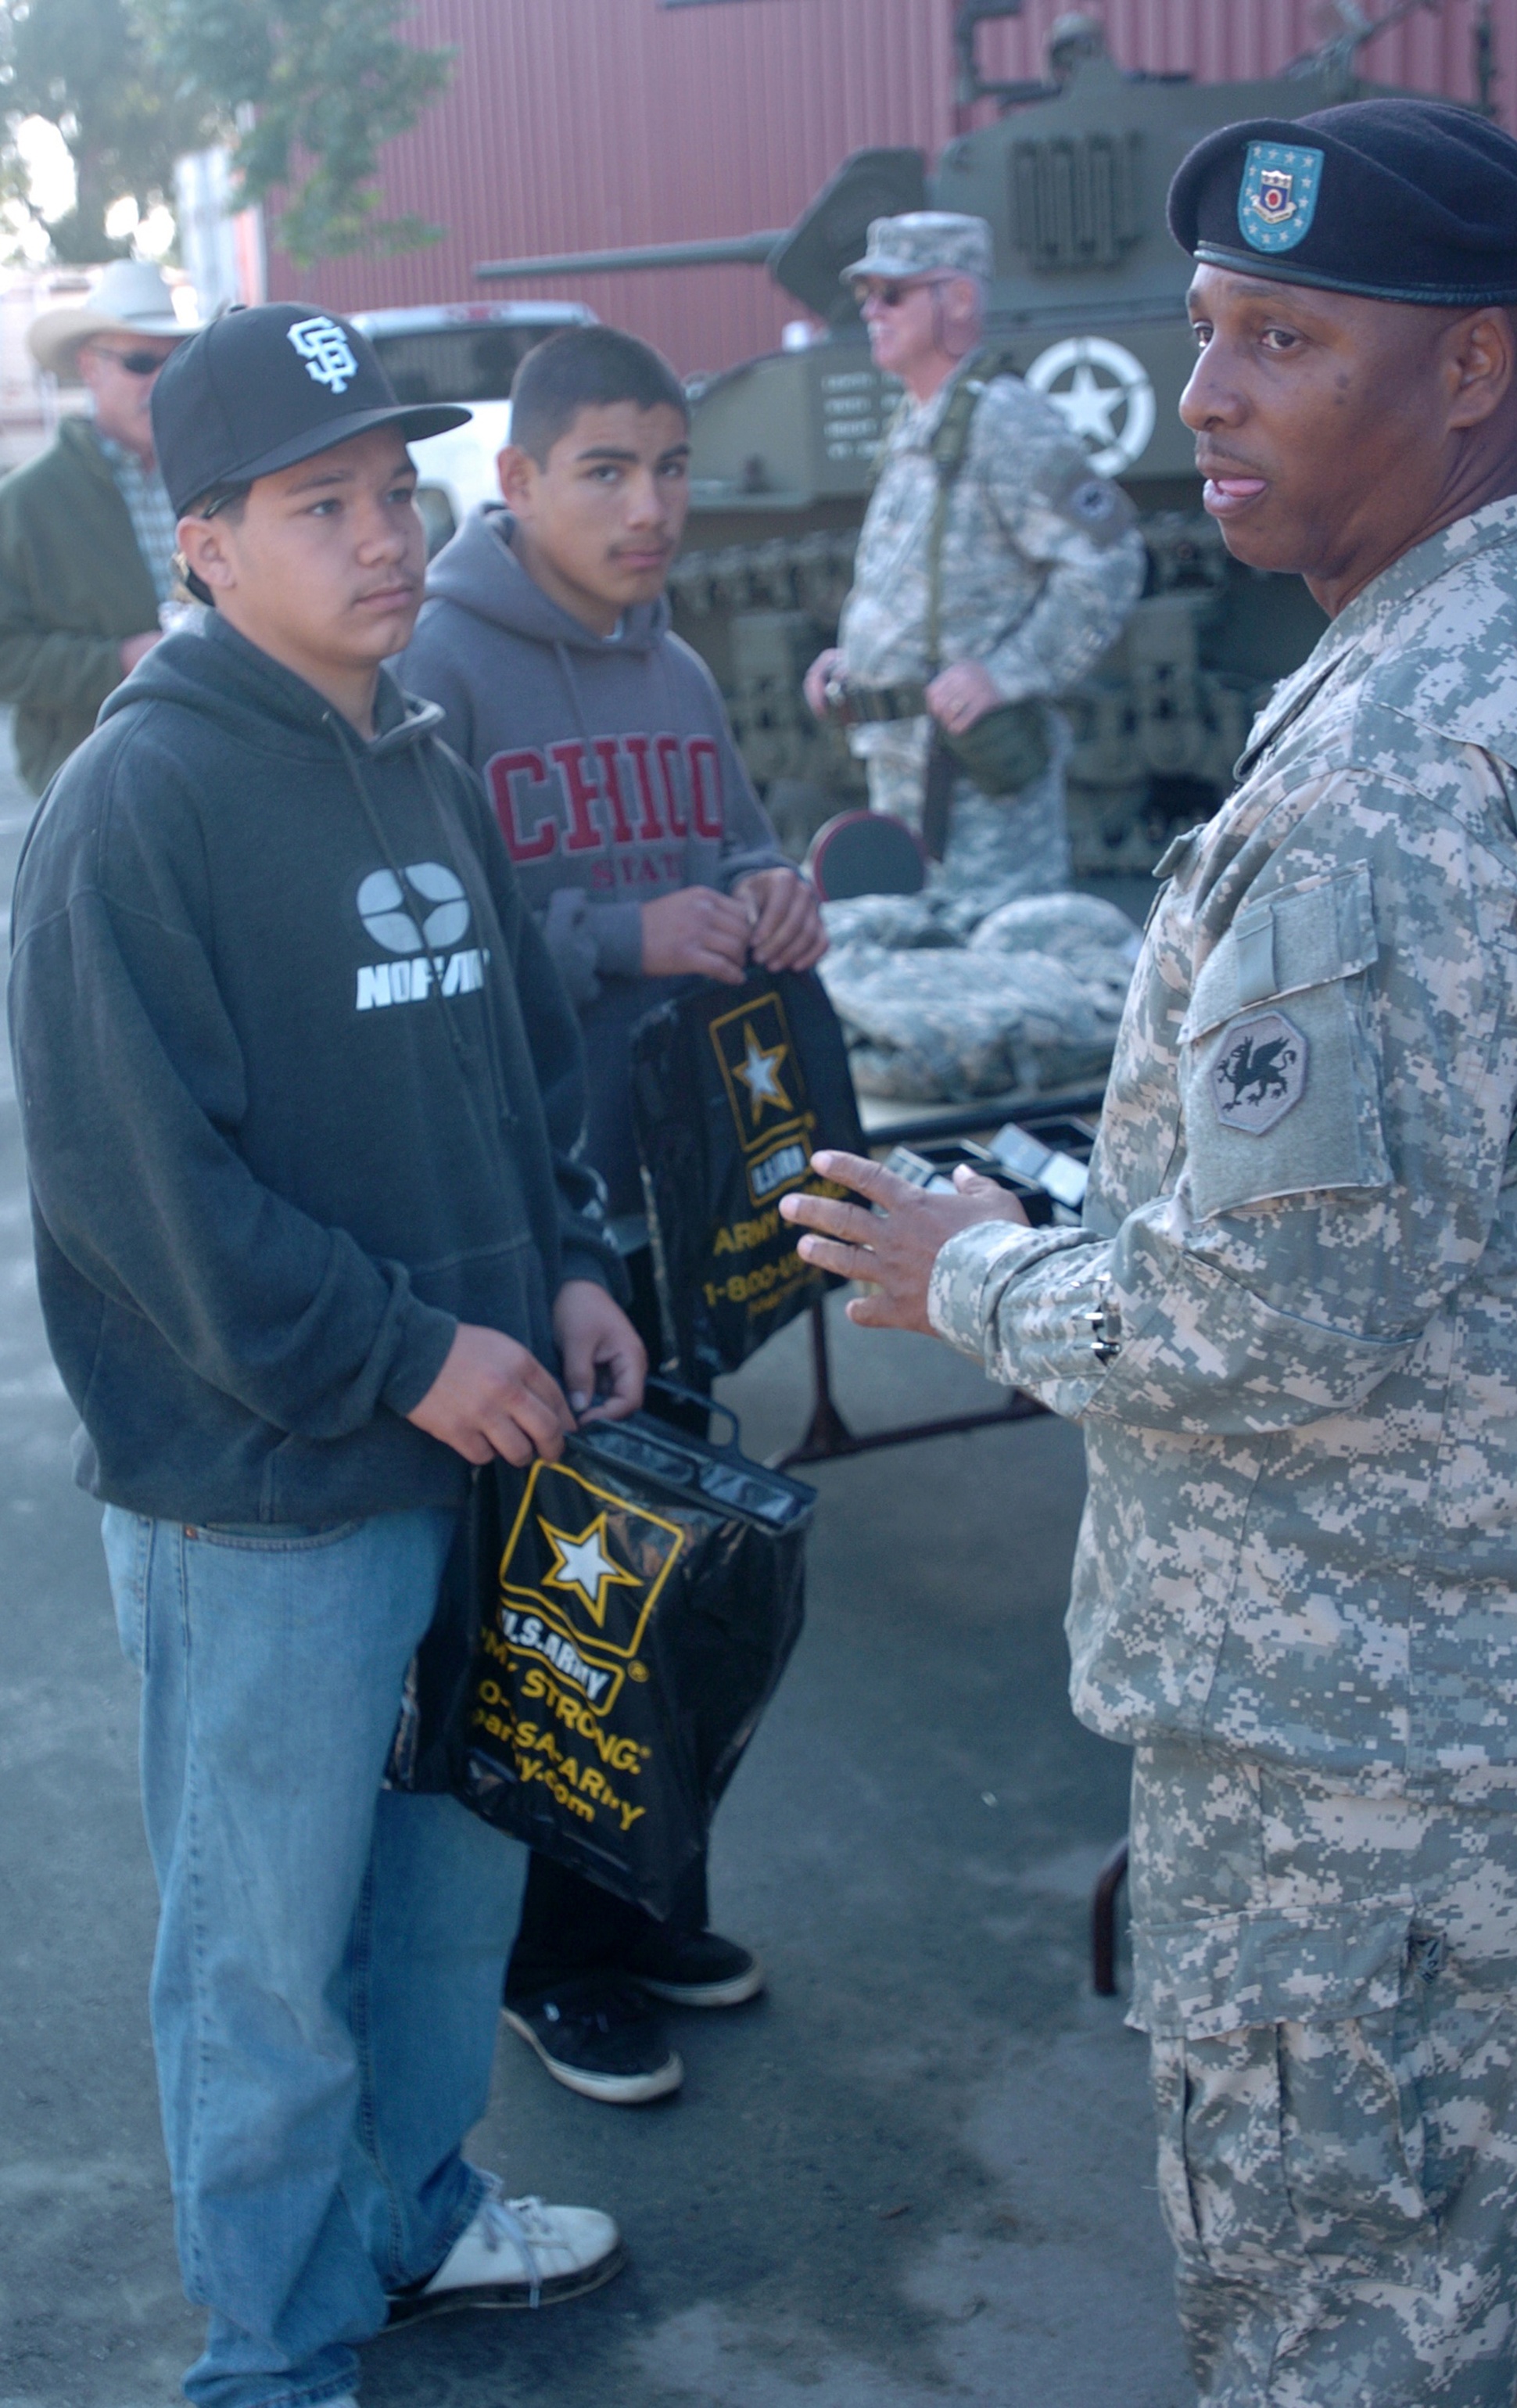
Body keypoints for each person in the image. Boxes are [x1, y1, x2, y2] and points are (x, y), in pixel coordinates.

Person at [782, 100, 1517, 2407]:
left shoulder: (1388, 783)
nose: (1209, 396)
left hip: (1355, 1738)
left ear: (1472, 371)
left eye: (1286, 339)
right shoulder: (1509, 659)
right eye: (1205, 332)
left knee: (1343, 2328)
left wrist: (966, 1266)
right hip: (1489, 1677)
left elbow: (1281, 1315)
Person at [7, 303, 648, 2408]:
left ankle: (416, 2211)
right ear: (203, 542)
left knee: (450, 1883)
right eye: (322, 504)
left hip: (478, 1431)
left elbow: (515, 1062)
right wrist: (403, 1346)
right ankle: (269, 2348)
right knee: (265, 1950)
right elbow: (142, 1196)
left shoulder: (419, 743)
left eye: (398, 491)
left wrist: (560, 1262)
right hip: (269, 1483)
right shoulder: (137, 805)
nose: (386, 538)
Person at [398, 322, 827, 2110]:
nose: (648, 506)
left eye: (668, 467)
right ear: (516, 483)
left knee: (680, 1580)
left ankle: (650, 1902)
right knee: (555, 1608)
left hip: (674, 1206)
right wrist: (615, 935)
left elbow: (720, 838)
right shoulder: (435, 664)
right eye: (605, 470)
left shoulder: (679, 669)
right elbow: (448, 940)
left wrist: (759, 893)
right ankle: (547, 1965)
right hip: (525, 1220)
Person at [802, 210, 1143, 910]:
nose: (871, 310)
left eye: (892, 293)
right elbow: (915, 578)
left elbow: (1108, 560)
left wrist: (1006, 672)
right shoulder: (918, 423)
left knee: (1000, 964)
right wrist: (852, 661)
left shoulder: (1004, 421)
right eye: (866, 293)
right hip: (902, 763)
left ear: (955, 299)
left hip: (975, 782)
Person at [0, 260, 192, 794]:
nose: (161, 381)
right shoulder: (24, 503)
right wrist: (118, 661)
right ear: (91, 366)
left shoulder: (211, 477)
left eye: (177, 362)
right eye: (140, 361)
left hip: (207, 763)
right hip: (89, 782)